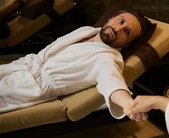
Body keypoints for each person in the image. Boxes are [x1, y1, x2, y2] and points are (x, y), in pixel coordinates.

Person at [0, 9, 151, 121]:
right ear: (110, 18)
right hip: (20, 67)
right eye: (121, 21)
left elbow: (111, 80)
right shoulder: (87, 31)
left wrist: (127, 103)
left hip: (26, 87)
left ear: (127, 44)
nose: (118, 29)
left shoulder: (107, 58)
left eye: (127, 32)